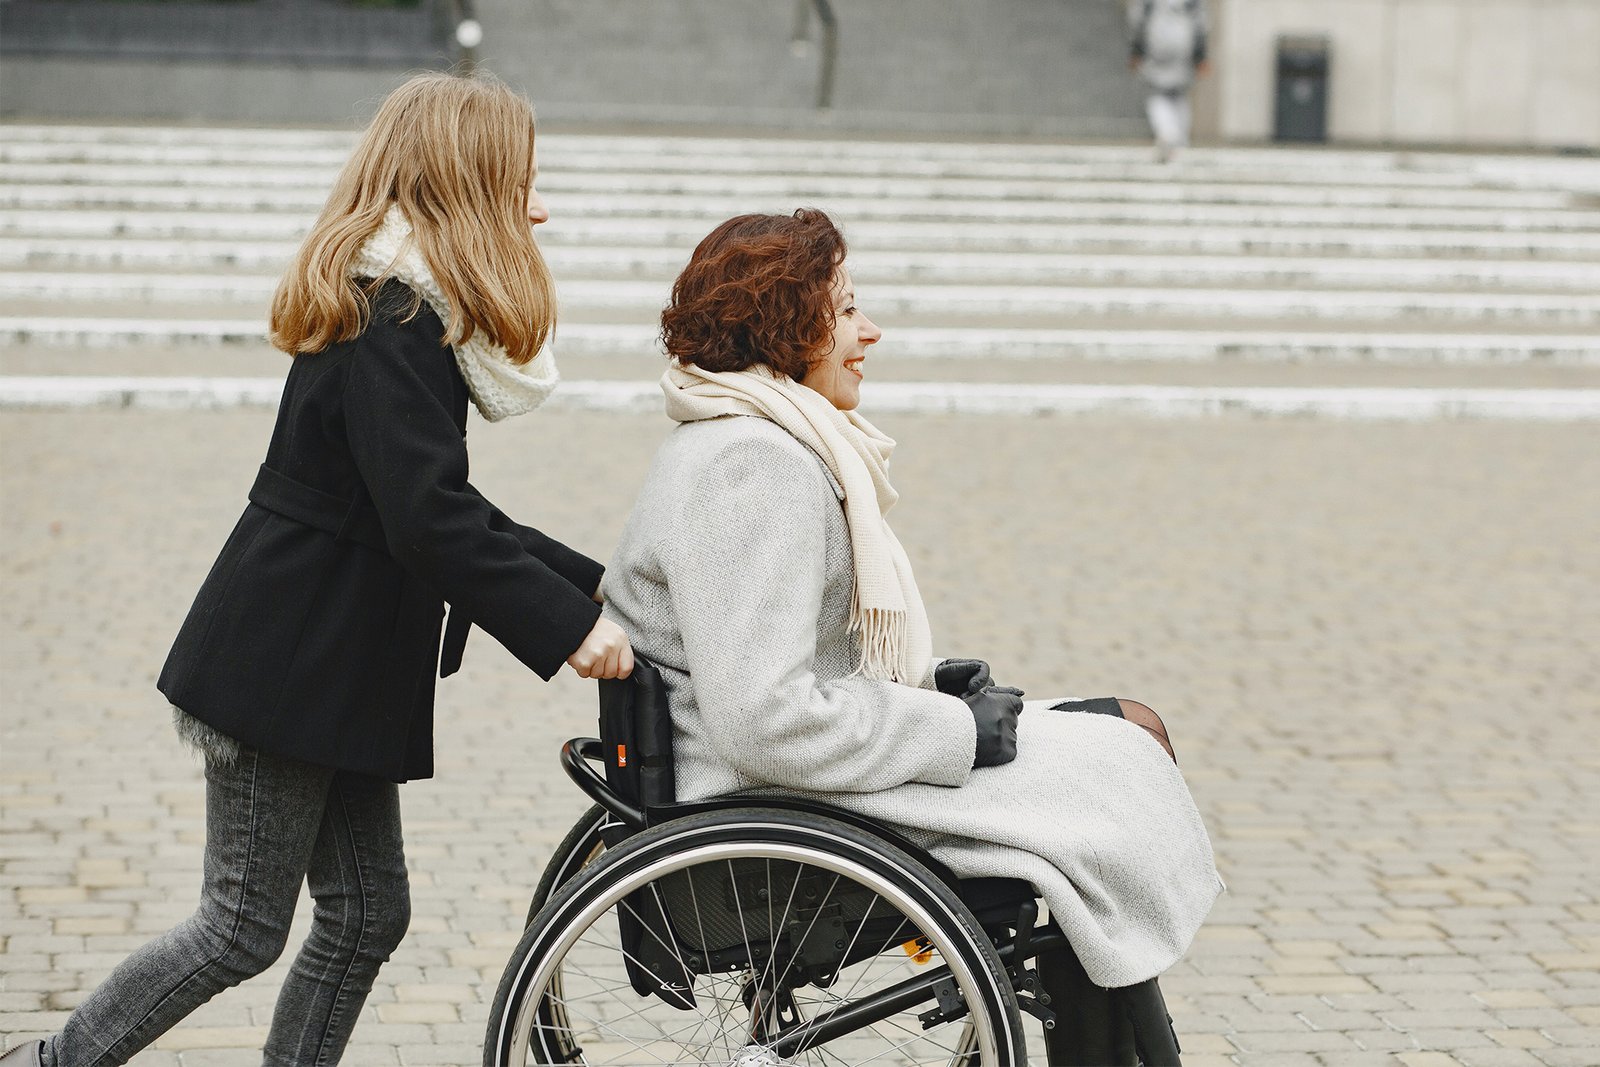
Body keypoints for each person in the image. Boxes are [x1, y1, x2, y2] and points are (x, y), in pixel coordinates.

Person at [0, 72, 632, 1067]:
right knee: (243, 923)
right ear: (467, 184)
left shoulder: (406, 310)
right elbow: (428, 520)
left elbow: (428, 503)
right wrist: (568, 627)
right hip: (286, 665)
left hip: (323, 665)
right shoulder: (393, 318)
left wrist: (590, 584)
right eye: (523, 184)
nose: (539, 208)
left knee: (368, 911)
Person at [598, 208, 1222, 1064]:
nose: (870, 330)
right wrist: (954, 730)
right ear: (789, 326)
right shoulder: (757, 467)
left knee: (1124, 731)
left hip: (788, 786)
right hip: (774, 818)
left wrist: (928, 688)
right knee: (1117, 760)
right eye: (846, 308)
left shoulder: (744, 441)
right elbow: (764, 718)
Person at [1128, 0, 1211, 162]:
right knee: (1179, 93)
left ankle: (1168, 133)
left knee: (1157, 93)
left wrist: (1136, 49)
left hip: (1157, 38)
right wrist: (1200, 54)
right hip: (1184, 38)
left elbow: (1138, 18)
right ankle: (1180, 140)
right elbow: (1201, 20)